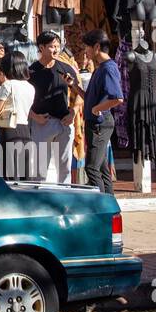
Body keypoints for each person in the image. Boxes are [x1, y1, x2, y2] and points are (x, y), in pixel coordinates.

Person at [27, 30, 80, 184]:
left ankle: (65, 199)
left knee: (65, 167)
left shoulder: (66, 68)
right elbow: (22, 99)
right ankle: (40, 200)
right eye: (51, 46)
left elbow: (80, 94)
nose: (56, 49)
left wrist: (73, 113)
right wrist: (34, 116)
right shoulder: (31, 71)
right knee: (39, 168)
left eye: (57, 46)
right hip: (42, 122)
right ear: (41, 48)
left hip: (64, 122)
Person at [81, 29, 124, 193]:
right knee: (102, 168)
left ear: (96, 46)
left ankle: (100, 207)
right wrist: (74, 86)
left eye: (87, 47)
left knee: (91, 168)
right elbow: (91, 99)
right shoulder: (100, 68)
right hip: (95, 123)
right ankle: (109, 202)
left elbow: (117, 98)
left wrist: (97, 109)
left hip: (100, 124)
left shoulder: (108, 68)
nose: (85, 51)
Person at [0, 51, 35, 179]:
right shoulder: (30, 87)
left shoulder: (8, 85)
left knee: (10, 173)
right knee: (25, 173)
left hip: (9, 130)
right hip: (26, 130)